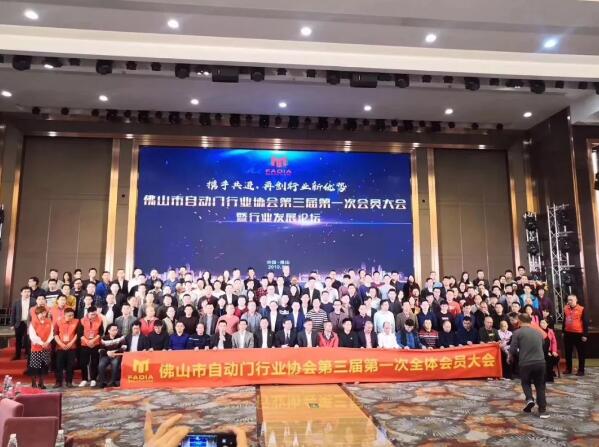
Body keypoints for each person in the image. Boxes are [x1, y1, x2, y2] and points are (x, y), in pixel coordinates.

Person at [509, 313, 549, 418]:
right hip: (540, 362)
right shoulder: (538, 332)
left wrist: (510, 357)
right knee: (540, 386)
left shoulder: (517, 332)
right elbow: (543, 343)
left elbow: (513, 349)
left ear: (520, 321)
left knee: (525, 382)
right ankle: (542, 411)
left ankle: (529, 399)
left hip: (525, 363)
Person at [562, 294, 588, 376]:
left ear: (576, 300)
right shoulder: (565, 308)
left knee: (581, 353)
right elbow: (564, 320)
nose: (569, 301)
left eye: (571, 300)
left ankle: (581, 370)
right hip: (568, 333)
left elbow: (585, 322)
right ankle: (568, 369)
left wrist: (585, 335)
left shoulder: (581, 309)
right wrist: (563, 331)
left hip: (579, 334)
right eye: (568, 300)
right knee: (568, 353)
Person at [28, 306, 53, 389]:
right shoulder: (33, 323)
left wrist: (47, 342)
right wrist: (42, 343)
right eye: (40, 313)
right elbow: (32, 336)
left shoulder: (49, 321)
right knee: (35, 366)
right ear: (37, 314)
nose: (42, 315)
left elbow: (52, 333)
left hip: (46, 347)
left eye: (43, 313)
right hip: (36, 348)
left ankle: (41, 383)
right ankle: (33, 383)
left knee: (44, 365)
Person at [53, 307, 79, 388]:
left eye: (72, 315)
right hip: (60, 347)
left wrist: (71, 343)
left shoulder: (77, 321)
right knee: (59, 365)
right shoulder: (58, 322)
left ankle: (69, 382)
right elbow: (55, 334)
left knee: (70, 365)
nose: (71, 317)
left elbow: (77, 334)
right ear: (64, 315)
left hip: (72, 347)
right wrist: (61, 344)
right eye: (69, 315)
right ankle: (58, 382)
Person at [79, 306, 103, 387]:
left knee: (94, 362)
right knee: (83, 362)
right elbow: (80, 333)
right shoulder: (82, 320)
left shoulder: (100, 320)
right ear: (88, 314)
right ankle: (84, 379)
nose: (94, 316)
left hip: (95, 344)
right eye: (92, 314)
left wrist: (93, 341)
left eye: (95, 314)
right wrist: (87, 341)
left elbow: (101, 332)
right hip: (84, 344)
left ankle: (93, 379)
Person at [97, 323, 125, 388]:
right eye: (113, 330)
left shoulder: (121, 337)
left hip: (116, 355)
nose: (115, 331)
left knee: (115, 363)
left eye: (116, 330)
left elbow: (124, 347)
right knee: (101, 365)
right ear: (109, 331)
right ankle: (103, 382)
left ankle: (113, 382)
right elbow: (100, 349)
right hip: (106, 355)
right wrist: (107, 352)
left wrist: (114, 352)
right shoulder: (104, 338)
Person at [10, 286, 34, 360]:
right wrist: (12, 324)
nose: (27, 293)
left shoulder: (33, 301)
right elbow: (13, 313)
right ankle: (17, 355)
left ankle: (28, 354)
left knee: (28, 339)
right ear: (21, 293)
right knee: (18, 339)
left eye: (28, 292)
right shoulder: (16, 301)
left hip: (29, 323)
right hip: (19, 323)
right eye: (25, 292)